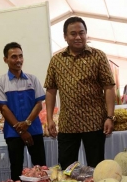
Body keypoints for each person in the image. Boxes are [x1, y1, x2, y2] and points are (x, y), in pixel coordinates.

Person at [44, 16, 116, 169]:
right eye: (73, 33)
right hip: (67, 124)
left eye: (81, 33)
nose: (78, 37)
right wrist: (49, 119)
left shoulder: (98, 56)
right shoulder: (56, 60)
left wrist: (110, 116)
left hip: (95, 123)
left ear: (86, 34)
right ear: (65, 37)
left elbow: (109, 87)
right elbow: (50, 90)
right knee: (66, 169)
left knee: (96, 168)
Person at [0, 42, 46, 180]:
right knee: (16, 169)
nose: (18, 60)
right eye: (14, 57)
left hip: (34, 130)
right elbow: (4, 109)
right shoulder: (1, 82)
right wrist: (22, 131)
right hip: (13, 133)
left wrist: (27, 123)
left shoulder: (32, 79)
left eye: (20, 56)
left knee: (40, 168)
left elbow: (39, 105)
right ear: (5, 59)